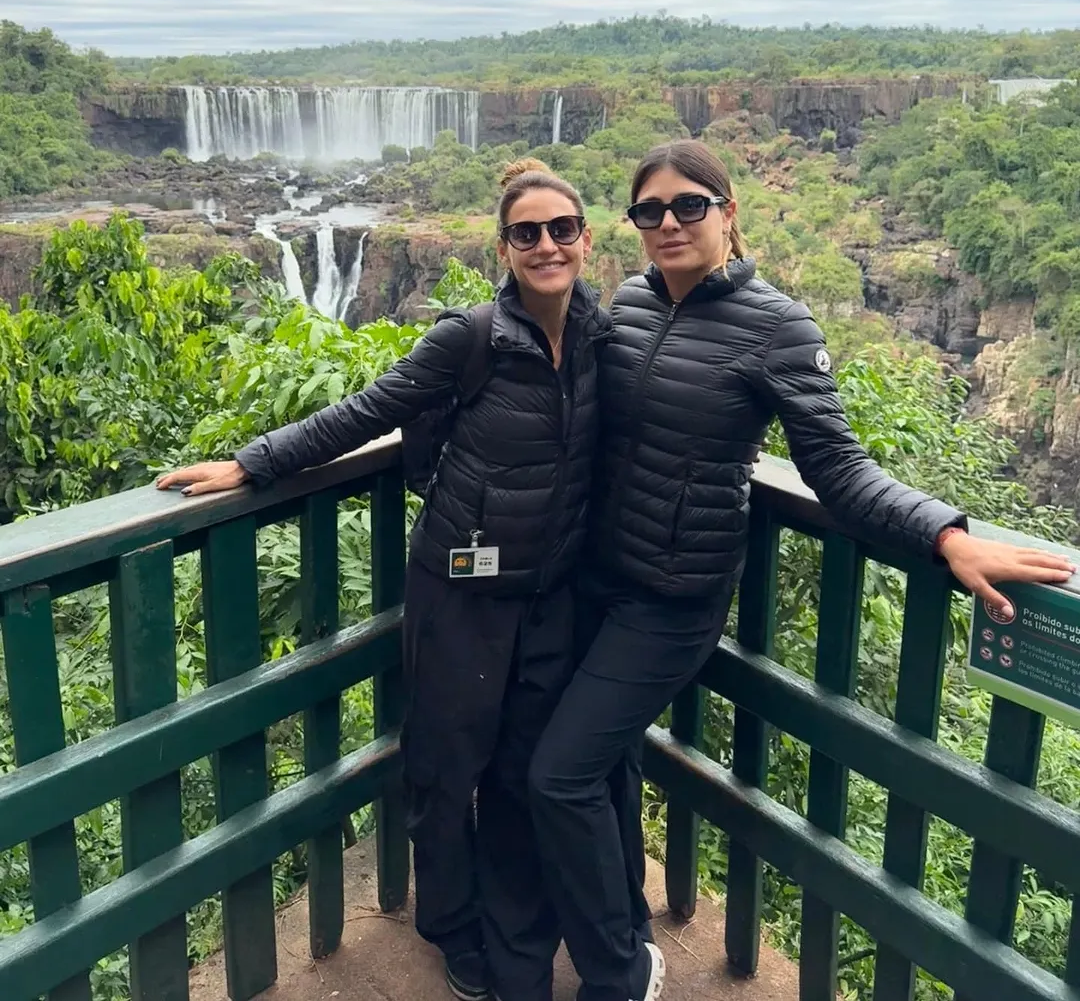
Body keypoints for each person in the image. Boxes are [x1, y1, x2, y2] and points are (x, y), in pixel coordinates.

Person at [527, 139, 1077, 1001]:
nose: (669, 224)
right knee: (604, 767)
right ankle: (624, 928)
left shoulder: (778, 327)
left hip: (673, 597)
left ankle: (617, 973)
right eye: (649, 212)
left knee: (557, 775)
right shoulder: (626, 304)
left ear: (728, 210)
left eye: (689, 207)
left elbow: (840, 469)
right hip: (594, 579)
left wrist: (947, 533)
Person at [157, 159, 610, 1001]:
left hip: (549, 601)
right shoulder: (467, 337)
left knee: (520, 775)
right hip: (461, 594)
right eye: (526, 233)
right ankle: (451, 927)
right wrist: (253, 461)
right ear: (504, 248)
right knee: (446, 770)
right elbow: (366, 409)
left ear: (586, 239)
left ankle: (515, 945)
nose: (546, 245)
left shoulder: (604, 336)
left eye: (560, 230)